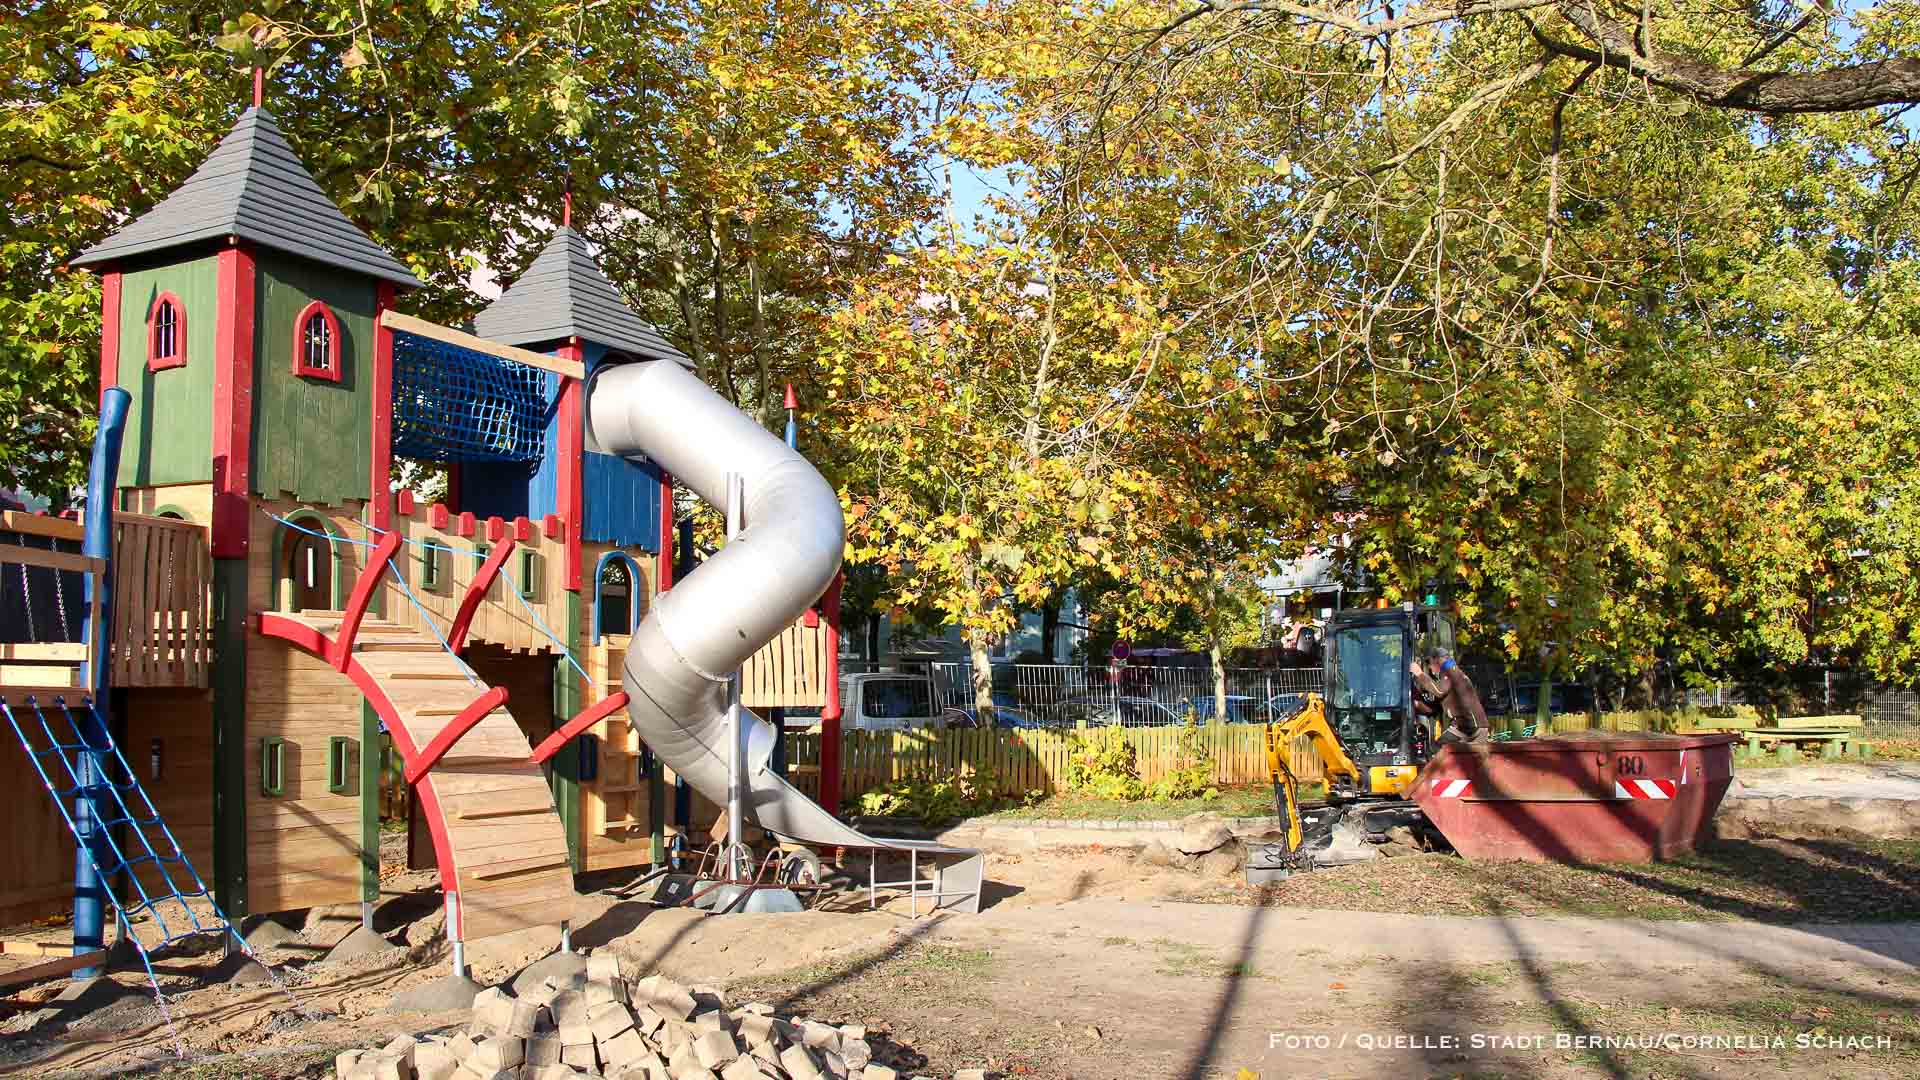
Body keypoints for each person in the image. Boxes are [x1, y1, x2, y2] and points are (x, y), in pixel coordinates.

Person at [1411, 646, 1488, 745]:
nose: (1429, 667)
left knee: (1439, 747)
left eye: (1429, 662)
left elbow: (1438, 691)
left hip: (1469, 726)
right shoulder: (1452, 675)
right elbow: (1435, 708)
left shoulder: (1451, 672)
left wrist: (1419, 674)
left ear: (1438, 659)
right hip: (1473, 726)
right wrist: (1417, 704)